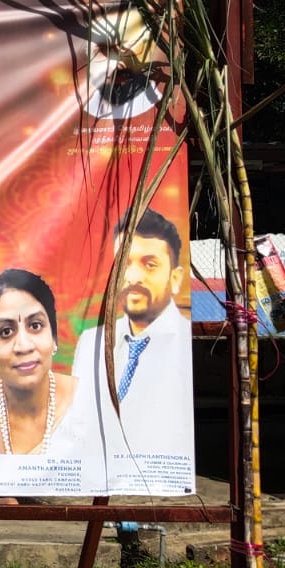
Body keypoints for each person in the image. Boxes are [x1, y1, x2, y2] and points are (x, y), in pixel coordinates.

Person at [71, 208, 194, 489]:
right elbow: (78, 424)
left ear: (175, 279)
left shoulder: (184, 346)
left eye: (150, 264)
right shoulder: (92, 342)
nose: (133, 276)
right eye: (123, 264)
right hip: (93, 482)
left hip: (159, 485)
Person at [0, 269, 90, 456]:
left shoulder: (90, 403)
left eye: (35, 326)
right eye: (6, 331)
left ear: (53, 337)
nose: (24, 346)